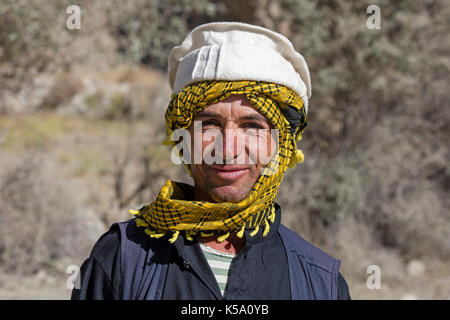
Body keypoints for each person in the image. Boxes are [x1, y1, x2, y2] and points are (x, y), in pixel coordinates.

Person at [71, 21, 351, 300]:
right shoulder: (121, 260)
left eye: (252, 126)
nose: (228, 149)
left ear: (280, 146)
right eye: (209, 125)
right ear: (183, 140)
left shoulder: (320, 282)